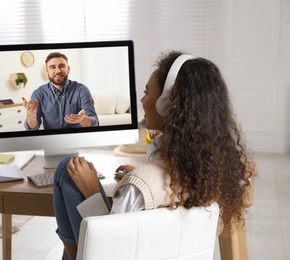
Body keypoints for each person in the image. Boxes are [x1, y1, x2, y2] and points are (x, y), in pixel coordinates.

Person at [52, 51, 254, 260]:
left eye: (147, 92)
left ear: (167, 104)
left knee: (66, 168)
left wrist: (92, 190)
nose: (142, 99)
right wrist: (142, 179)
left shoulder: (139, 185)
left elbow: (112, 249)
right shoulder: (211, 172)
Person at [22, 52, 98, 130]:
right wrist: (31, 116)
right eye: (52, 67)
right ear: (47, 71)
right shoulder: (38, 94)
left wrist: (84, 120)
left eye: (61, 66)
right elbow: (32, 129)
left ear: (68, 69)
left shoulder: (81, 90)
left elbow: (95, 122)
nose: (58, 71)